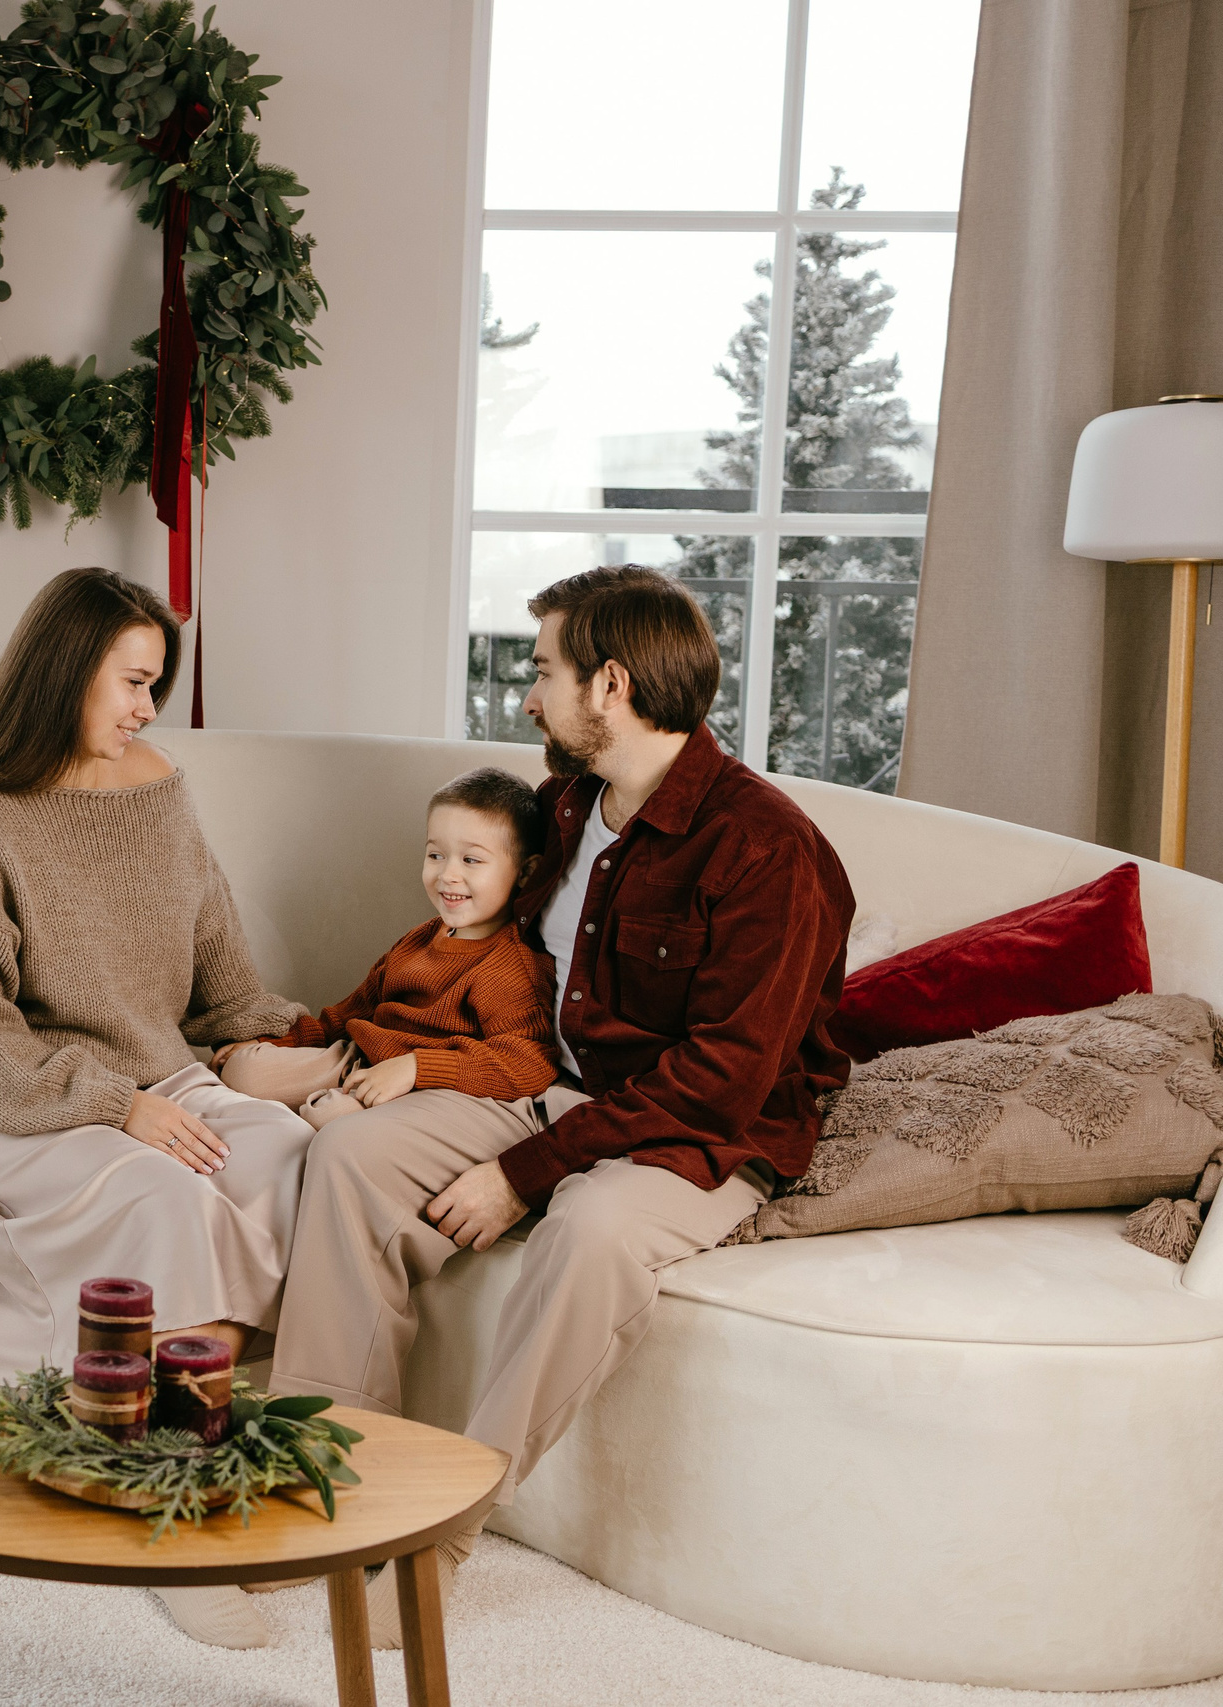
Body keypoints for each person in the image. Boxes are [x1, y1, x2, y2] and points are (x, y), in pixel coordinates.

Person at [271, 565, 854, 1644]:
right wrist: (368, 1054)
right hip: (550, 1088)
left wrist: (523, 1175)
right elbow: (488, 978)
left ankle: (442, 1529)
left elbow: (723, 1079)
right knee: (349, 1160)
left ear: (611, 686)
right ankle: (321, 1466)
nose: (527, 696)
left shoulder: (768, 850)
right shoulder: (565, 808)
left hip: (704, 1137)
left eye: (543, 671)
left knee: (586, 1229)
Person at [0, 566, 317, 1648]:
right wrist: (115, 1106)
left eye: (154, 685)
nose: (146, 709)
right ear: (65, 671)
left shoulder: (159, 788)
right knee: (169, 1199)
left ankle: (199, 1457)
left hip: (142, 1073)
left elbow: (219, 974)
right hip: (2, 1089)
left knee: (289, 1154)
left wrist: (302, 1046)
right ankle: (175, 1517)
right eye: (130, 682)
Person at [215, 766, 560, 1127]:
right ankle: (299, 1106)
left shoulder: (512, 965)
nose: (447, 875)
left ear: (526, 872)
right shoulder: (420, 939)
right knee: (245, 1071)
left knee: (332, 1117)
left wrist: (416, 1067)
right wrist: (280, 1044)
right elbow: (350, 1013)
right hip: (359, 1056)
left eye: (470, 860)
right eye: (435, 855)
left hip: (424, 1084)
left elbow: (529, 1063)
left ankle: (312, 1117)